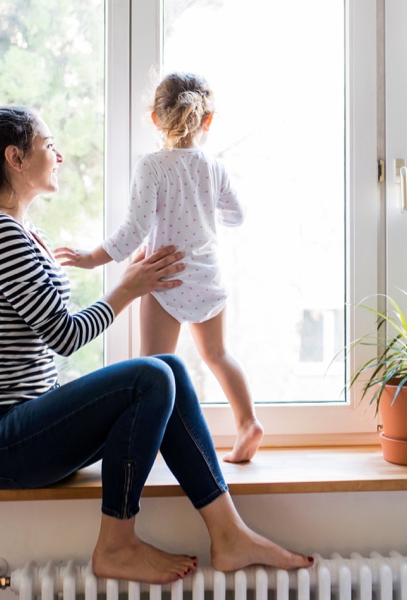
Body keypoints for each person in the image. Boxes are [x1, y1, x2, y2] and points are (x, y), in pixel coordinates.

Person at [0, 105, 312, 584]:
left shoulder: (24, 232)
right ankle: (116, 544)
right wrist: (128, 288)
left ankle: (229, 533)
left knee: (167, 367)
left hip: (24, 424)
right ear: (16, 158)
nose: (60, 155)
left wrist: (128, 281)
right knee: (150, 375)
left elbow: (49, 325)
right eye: (49, 145)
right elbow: (64, 335)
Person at [55, 72, 263, 463]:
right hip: (207, 276)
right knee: (218, 355)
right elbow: (237, 215)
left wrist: (90, 258)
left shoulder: (151, 167)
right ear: (208, 120)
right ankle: (248, 422)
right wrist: (204, 209)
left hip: (163, 277)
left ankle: (152, 446)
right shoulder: (213, 167)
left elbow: (133, 231)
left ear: (155, 119)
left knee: (153, 370)